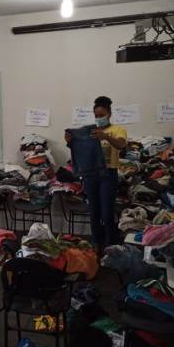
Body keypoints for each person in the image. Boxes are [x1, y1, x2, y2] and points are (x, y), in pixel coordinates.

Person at [65, 96, 127, 250]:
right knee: (94, 213)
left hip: (108, 174)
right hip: (90, 174)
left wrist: (105, 136)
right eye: (96, 116)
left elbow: (121, 145)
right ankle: (97, 244)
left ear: (109, 114)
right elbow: (80, 149)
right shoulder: (89, 131)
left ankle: (111, 245)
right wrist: (70, 141)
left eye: (102, 115)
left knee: (107, 213)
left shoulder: (118, 130)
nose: (99, 118)